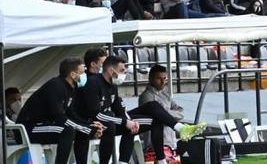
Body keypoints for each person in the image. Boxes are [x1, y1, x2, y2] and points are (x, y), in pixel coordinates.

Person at [76, 56, 207, 164]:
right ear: (111, 70)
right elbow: (96, 115)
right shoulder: (93, 83)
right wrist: (126, 122)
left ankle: (177, 135)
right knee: (118, 123)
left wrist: (128, 120)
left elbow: (119, 109)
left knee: (153, 108)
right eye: (122, 70)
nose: (124, 74)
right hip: (95, 124)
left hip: (113, 120)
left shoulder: (112, 85)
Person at [16, 58, 102, 164]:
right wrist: (87, 128)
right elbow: (59, 118)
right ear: (73, 75)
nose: (85, 75)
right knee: (67, 131)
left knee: (82, 132)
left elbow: (71, 114)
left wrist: (89, 125)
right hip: (29, 128)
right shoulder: (55, 86)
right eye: (82, 72)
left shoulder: (70, 87)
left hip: (46, 126)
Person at [138, 65, 185, 152]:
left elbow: (180, 113)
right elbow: (157, 117)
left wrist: (163, 113)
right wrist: (164, 114)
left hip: (171, 141)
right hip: (155, 144)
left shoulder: (165, 95)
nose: (163, 81)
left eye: (165, 78)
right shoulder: (146, 97)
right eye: (159, 78)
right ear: (151, 79)